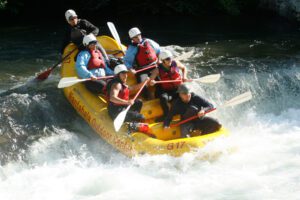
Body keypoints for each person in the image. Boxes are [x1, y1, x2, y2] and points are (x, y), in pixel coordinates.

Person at [150, 50, 188, 121]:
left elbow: (184, 68)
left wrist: (184, 76)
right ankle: (166, 115)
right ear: (162, 60)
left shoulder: (175, 63)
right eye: (167, 59)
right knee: (163, 98)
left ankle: (186, 111)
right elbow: (151, 80)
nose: (170, 60)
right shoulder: (158, 70)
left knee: (187, 94)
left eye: (170, 58)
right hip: (168, 90)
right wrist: (152, 82)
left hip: (178, 88)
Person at [123, 27, 160, 99]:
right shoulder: (132, 48)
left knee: (160, 81)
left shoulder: (148, 41)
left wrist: (159, 60)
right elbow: (127, 61)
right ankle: (147, 99)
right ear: (132, 39)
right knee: (143, 86)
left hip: (154, 66)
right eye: (135, 37)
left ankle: (159, 96)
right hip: (142, 70)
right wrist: (130, 69)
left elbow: (158, 50)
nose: (138, 38)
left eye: (139, 35)